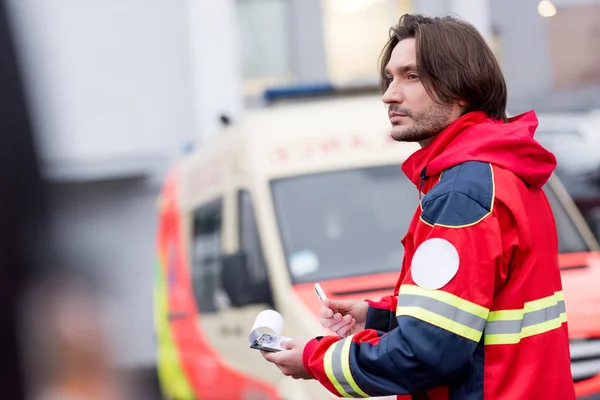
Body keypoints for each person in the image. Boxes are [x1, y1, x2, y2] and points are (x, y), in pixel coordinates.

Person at [260, 13, 576, 400]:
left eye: (411, 76)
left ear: (462, 88)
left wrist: (315, 359)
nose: (390, 94)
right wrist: (377, 317)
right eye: (390, 77)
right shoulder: (501, 172)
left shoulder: (462, 192)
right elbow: (471, 315)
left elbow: (427, 353)